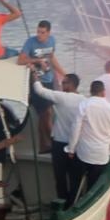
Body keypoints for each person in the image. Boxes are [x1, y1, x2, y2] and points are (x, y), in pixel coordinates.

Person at [31, 68, 83, 203]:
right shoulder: (85, 101)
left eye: (64, 83)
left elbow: (40, 91)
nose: (61, 85)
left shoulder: (62, 97)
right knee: (74, 177)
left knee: (60, 177)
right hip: (77, 144)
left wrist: (34, 76)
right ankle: (74, 203)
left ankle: (62, 202)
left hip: (59, 144)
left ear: (71, 84)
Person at [66, 79, 110, 194]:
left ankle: (72, 202)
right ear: (103, 92)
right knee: (93, 186)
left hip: (84, 153)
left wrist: (71, 149)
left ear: (91, 91)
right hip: (101, 156)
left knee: (76, 182)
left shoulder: (84, 105)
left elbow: (76, 128)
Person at [20, 20, 59, 146]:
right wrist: (37, 61)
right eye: (38, 32)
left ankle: (44, 143)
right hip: (36, 82)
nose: (39, 35)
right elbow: (21, 60)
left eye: (42, 33)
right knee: (45, 112)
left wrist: (61, 75)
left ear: (48, 33)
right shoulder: (30, 42)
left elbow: (52, 58)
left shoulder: (52, 40)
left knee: (48, 113)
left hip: (49, 80)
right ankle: (50, 142)